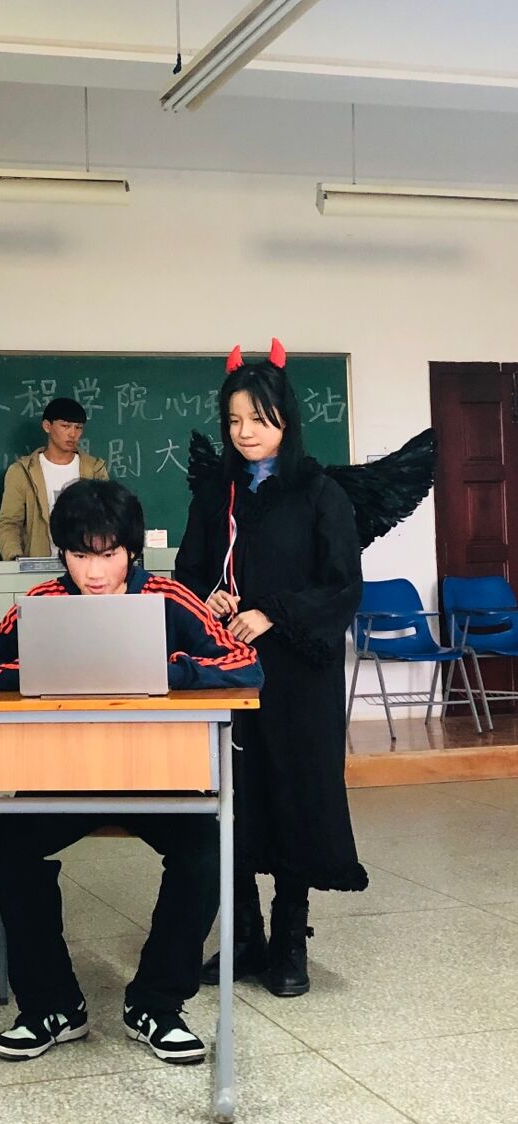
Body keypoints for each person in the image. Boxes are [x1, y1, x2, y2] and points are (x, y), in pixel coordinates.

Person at [0, 479, 261, 1064]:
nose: (94, 572)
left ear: (131, 551)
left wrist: (170, 669)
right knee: (10, 842)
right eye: (79, 555)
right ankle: (52, 1007)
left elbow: (244, 662)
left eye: (108, 554)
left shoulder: (169, 597)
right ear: (63, 554)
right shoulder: (44, 601)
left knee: (207, 847)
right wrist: (36, 669)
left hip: (155, 775)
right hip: (65, 775)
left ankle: (157, 1003)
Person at [175, 339, 367, 1000]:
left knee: (293, 792)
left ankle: (289, 936)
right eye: (233, 420)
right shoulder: (215, 493)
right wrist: (209, 599)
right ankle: (243, 934)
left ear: (285, 418)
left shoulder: (319, 492)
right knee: (233, 796)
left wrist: (273, 613)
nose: (244, 431)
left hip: (297, 675)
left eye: (257, 418)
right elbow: (188, 574)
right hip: (227, 673)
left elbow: (342, 586)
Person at [0, 397, 108, 560]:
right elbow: (9, 524)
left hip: (86, 564)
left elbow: (109, 520)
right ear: (47, 426)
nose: (73, 434)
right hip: (38, 564)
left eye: (78, 427)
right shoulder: (22, 472)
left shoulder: (94, 470)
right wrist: (16, 559)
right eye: (65, 426)